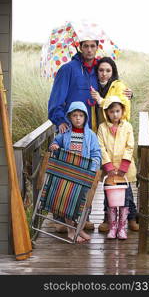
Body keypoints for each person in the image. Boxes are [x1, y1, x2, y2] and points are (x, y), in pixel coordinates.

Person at [48, 40, 132, 231]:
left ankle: (82, 217)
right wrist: (60, 120)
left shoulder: (96, 71)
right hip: (68, 131)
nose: (89, 50)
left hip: (90, 133)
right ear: (79, 47)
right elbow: (55, 99)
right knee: (64, 177)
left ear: (96, 47)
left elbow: (110, 91)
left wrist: (128, 94)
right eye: (85, 46)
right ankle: (60, 218)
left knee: (87, 178)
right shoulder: (68, 69)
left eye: (92, 46)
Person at [90, 57, 139, 232]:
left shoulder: (118, 85)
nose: (104, 73)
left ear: (113, 72)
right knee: (108, 185)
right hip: (104, 143)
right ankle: (107, 218)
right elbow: (101, 146)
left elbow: (122, 102)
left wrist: (101, 100)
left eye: (108, 70)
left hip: (121, 152)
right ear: (97, 71)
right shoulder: (92, 83)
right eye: (101, 70)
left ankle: (131, 218)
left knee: (126, 188)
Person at [50, 101, 101, 242]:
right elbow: (56, 142)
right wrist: (54, 145)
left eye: (81, 115)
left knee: (84, 203)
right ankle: (71, 231)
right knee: (68, 202)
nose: (78, 118)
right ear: (69, 117)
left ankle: (80, 229)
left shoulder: (90, 135)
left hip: (84, 173)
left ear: (85, 118)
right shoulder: (65, 133)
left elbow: (96, 153)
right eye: (74, 115)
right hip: (67, 173)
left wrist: (93, 167)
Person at [97, 95, 137, 239]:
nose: (115, 114)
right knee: (109, 196)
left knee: (127, 196)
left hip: (123, 170)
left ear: (122, 111)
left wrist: (123, 166)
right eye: (112, 111)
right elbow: (101, 147)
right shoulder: (102, 128)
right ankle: (110, 222)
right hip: (110, 171)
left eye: (118, 111)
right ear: (106, 112)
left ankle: (126, 222)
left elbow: (130, 145)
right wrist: (108, 165)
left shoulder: (127, 126)